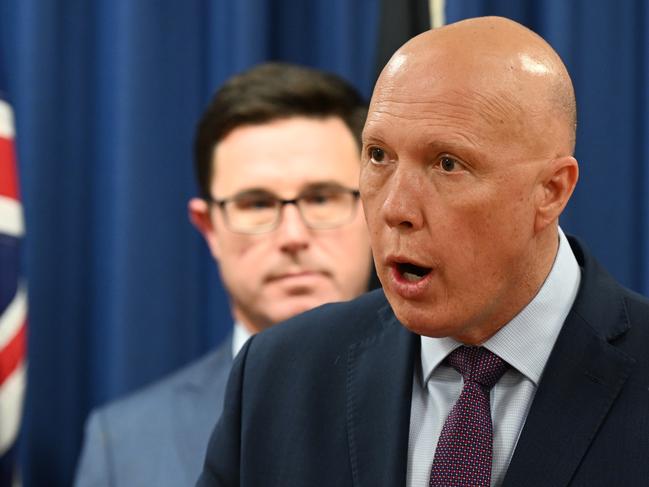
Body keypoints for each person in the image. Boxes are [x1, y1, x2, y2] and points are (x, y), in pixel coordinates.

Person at [197, 16, 649, 487]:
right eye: (378, 156)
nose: (396, 208)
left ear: (551, 191)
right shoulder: (278, 376)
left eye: (447, 164)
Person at [74, 63, 375, 487]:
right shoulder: (122, 445)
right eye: (256, 204)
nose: (293, 236)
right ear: (209, 228)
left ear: (374, 209)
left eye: (322, 198)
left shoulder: (457, 402)